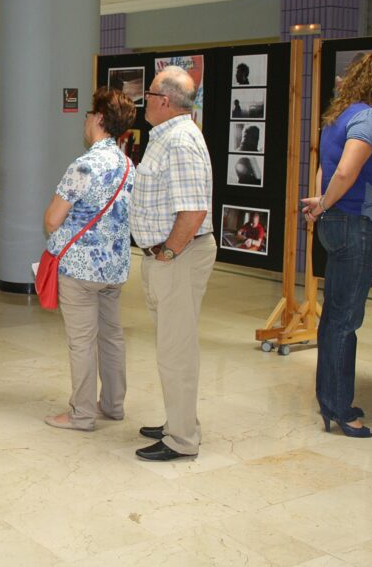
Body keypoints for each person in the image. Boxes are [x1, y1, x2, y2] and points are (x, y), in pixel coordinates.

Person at [301, 52, 372, 438]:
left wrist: (319, 203)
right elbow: (345, 170)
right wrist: (326, 204)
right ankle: (339, 409)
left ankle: (331, 399)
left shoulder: (338, 117)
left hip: (338, 222)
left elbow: (324, 167)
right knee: (344, 322)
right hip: (355, 225)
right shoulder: (368, 118)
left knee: (335, 318)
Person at [129, 66, 215, 462]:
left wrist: (167, 253)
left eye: (147, 95)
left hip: (178, 256)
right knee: (170, 346)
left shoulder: (179, 141)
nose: (142, 101)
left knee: (176, 351)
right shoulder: (166, 138)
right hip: (168, 256)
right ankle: (176, 422)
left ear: (164, 101)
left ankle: (182, 439)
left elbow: (194, 210)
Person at [43, 89, 135, 431]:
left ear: (98, 119)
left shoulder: (84, 165)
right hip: (114, 269)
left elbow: (53, 218)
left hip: (81, 270)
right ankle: (112, 404)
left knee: (81, 341)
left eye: (87, 113)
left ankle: (81, 414)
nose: (84, 119)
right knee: (111, 336)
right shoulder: (128, 165)